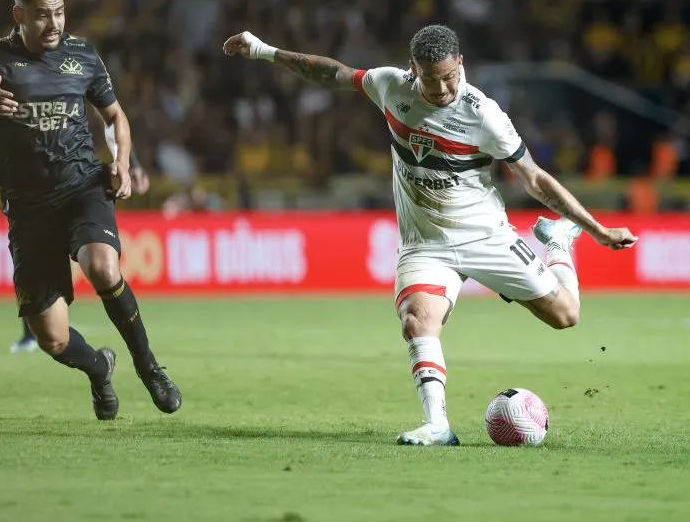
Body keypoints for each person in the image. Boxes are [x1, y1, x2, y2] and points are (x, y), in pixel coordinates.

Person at [223, 25, 638, 445]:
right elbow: (332, 73)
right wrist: (264, 51)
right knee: (417, 320)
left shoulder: (484, 115)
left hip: (485, 237)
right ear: (412, 69)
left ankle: (559, 242)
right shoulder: (390, 86)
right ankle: (437, 424)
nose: (441, 88)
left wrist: (597, 229)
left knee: (566, 316)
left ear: (461, 64)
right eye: (430, 78)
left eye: (449, 77)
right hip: (426, 245)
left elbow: (534, 179)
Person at [0, 0, 181, 420]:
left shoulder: (82, 54)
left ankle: (150, 369)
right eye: (41, 16)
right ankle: (98, 367)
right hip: (29, 210)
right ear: (18, 15)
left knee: (101, 264)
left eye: (59, 13)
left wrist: (122, 160)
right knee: (51, 337)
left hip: (82, 186)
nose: (53, 24)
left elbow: (115, 117)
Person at [0, 119, 152, 354]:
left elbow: (111, 116)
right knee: (31, 253)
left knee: (72, 255)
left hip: (74, 179)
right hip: (25, 181)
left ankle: (45, 323)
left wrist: (129, 162)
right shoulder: (8, 85)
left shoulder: (77, 90)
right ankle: (36, 326)